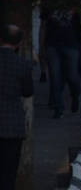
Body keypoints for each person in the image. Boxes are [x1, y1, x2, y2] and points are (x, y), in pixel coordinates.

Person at [0, 24, 34, 190]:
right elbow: (28, 92)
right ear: (20, 43)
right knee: (8, 173)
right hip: (13, 126)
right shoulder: (24, 64)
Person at [38, 4, 81, 119]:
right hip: (53, 45)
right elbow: (43, 27)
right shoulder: (49, 6)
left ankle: (75, 94)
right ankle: (58, 108)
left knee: (72, 76)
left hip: (71, 45)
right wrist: (41, 47)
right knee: (54, 77)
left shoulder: (75, 3)